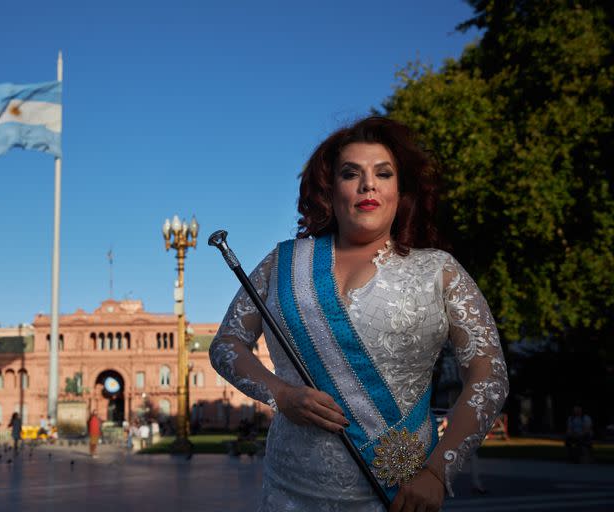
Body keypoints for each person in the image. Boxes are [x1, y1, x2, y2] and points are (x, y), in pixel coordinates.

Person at [210, 117, 509, 511]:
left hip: (398, 493)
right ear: (329, 190)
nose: (368, 184)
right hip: (288, 490)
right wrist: (280, 393)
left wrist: (439, 470)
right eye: (351, 174)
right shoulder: (283, 263)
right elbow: (226, 345)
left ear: (400, 191)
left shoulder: (440, 270)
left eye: (383, 173)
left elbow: (489, 374)